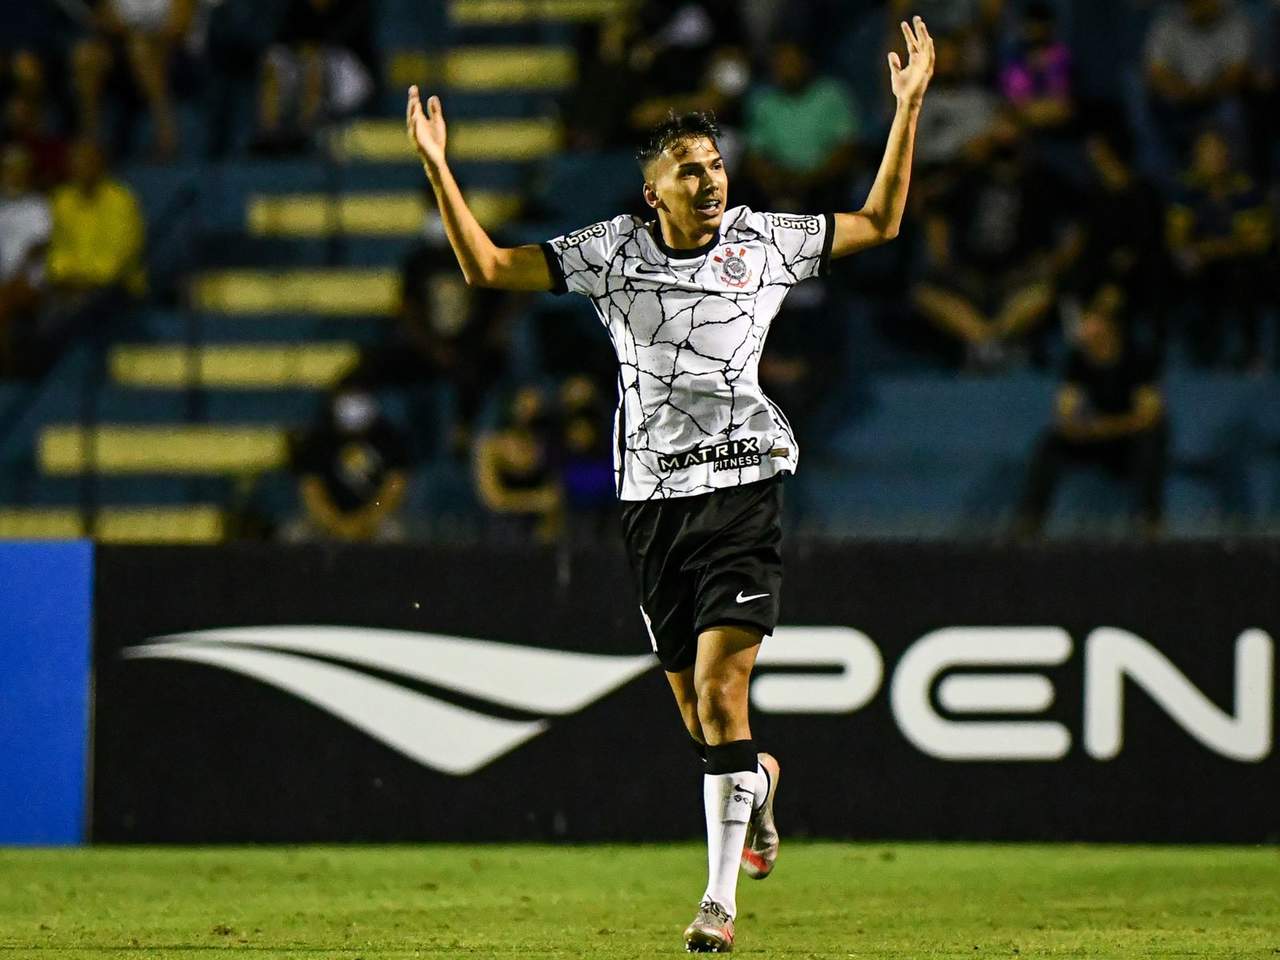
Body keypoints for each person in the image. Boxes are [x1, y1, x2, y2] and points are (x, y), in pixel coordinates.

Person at [405, 15, 934, 953]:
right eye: (688, 167)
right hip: (652, 507)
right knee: (701, 720)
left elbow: (884, 221)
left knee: (724, 695)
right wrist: (440, 166)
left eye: (715, 162)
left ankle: (718, 904)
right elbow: (485, 266)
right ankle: (758, 784)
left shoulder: (765, 243)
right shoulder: (611, 255)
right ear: (652, 192)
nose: (711, 177)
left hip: (745, 491)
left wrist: (908, 107)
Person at [1015, 283, 1168, 538]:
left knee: (1153, 439)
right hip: (1093, 438)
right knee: (1050, 443)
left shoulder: (1140, 358)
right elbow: (1064, 412)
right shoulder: (1077, 359)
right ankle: (1030, 521)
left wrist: (1103, 427)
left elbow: (1148, 416)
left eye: (1087, 318)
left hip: (1128, 439)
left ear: (1107, 325)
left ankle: (1150, 520)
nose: (1081, 325)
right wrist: (1078, 428)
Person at [1166, 128, 1272, 370]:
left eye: (1218, 150)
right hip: (1204, 265)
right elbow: (1176, 238)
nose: (1214, 157)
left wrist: (1210, 249)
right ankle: (1204, 345)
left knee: (1244, 274)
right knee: (1187, 271)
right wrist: (1213, 250)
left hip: (1240, 263)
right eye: (1207, 152)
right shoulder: (1186, 189)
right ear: (1196, 157)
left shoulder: (1245, 189)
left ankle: (1250, 349)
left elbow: (1255, 242)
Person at [287, 384, 411, 542]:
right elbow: (311, 487)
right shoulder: (319, 440)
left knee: (395, 534)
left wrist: (368, 520)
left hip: (377, 519)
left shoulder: (388, 438)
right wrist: (336, 523)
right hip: (328, 520)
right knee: (295, 534)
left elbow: (396, 484)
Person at [1144, 0, 1253, 160]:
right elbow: (1156, 70)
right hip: (1176, 97)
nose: (1196, 6)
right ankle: (1162, 174)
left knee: (1233, 108)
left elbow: (1237, 71)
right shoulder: (1168, 23)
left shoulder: (1234, 21)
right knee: (1134, 84)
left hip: (1218, 97)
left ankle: (1236, 177)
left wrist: (1207, 91)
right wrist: (1181, 90)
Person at [472, 385, 564, 543]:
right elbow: (494, 499)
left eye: (535, 412)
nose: (529, 416)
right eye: (524, 409)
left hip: (537, 535)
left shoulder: (546, 447)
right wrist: (535, 501)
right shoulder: (490, 446)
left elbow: (554, 497)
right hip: (497, 532)